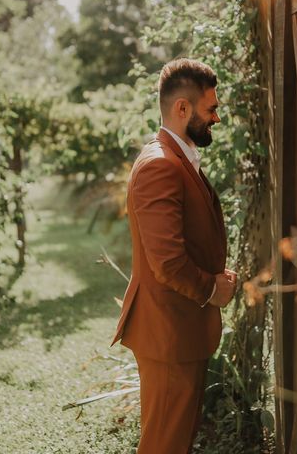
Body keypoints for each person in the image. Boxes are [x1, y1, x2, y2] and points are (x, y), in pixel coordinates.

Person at [111, 58, 237, 453]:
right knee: (163, 445)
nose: (216, 118)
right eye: (211, 108)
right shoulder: (160, 166)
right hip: (168, 332)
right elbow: (166, 261)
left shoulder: (177, 158)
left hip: (181, 330)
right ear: (183, 108)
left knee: (175, 443)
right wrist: (211, 290)